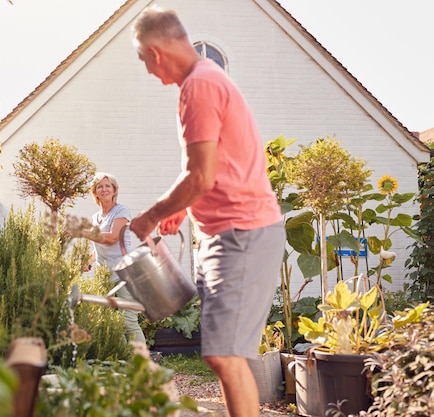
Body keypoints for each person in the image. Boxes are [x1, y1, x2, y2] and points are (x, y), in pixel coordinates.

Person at [129, 6, 285, 417]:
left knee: (226, 355)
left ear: (156, 51)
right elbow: (212, 171)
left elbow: (199, 175)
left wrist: (149, 216)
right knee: (222, 355)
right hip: (230, 234)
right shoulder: (207, 81)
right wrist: (186, 207)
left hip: (243, 235)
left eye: (144, 60)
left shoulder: (198, 85)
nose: (147, 70)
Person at [81, 172, 146, 345]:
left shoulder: (121, 210)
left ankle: (143, 365)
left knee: (128, 322)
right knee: (110, 323)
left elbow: (112, 238)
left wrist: (82, 232)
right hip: (106, 278)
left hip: (126, 275)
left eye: (107, 185)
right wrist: (89, 260)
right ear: (94, 192)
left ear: (114, 189)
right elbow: (100, 246)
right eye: (99, 186)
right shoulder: (96, 217)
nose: (104, 189)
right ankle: (124, 363)